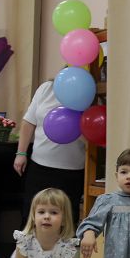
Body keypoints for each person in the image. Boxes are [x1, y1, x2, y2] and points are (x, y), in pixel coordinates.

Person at [13, 80, 86, 226]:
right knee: (31, 217)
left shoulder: (86, 92)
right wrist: (21, 154)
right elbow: (29, 122)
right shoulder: (46, 89)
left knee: (66, 220)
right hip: (39, 166)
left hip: (72, 171)